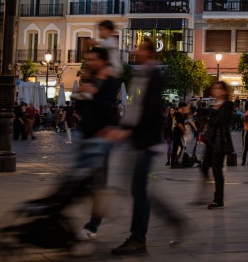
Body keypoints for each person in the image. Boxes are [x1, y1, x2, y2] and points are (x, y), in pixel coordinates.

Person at [104, 38, 182, 255]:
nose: (133, 51)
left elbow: (149, 109)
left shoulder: (154, 74)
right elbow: (134, 108)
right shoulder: (141, 74)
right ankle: (169, 220)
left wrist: (127, 130)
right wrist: (121, 127)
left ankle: (138, 238)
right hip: (138, 139)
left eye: (138, 48)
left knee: (139, 189)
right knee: (140, 189)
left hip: (146, 140)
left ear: (148, 52)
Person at [73, 47, 120, 241]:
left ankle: (93, 225)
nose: (89, 62)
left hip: (102, 137)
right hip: (87, 135)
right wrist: (81, 93)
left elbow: (108, 108)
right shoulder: (90, 79)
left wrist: (94, 93)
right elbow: (79, 108)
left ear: (102, 61)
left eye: (92, 59)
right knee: (82, 181)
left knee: (98, 183)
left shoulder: (111, 82)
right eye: (88, 59)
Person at [201, 82, 235, 209]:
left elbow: (219, 120)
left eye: (217, 88)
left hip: (221, 141)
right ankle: (209, 191)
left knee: (216, 169)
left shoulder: (227, 105)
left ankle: (218, 199)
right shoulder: (213, 105)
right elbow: (203, 118)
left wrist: (209, 116)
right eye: (213, 88)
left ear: (224, 91)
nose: (214, 90)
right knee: (204, 167)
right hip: (210, 140)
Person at [170, 102, 189, 168]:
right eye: (185, 107)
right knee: (182, 146)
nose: (186, 109)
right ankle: (178, 161)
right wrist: (184, 131)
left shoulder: (175, 114)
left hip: (174, 133)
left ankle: (173, 163)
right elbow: (179, 124)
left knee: (175, 148)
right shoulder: (179, 114)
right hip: (178, 134)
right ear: (182, 107)